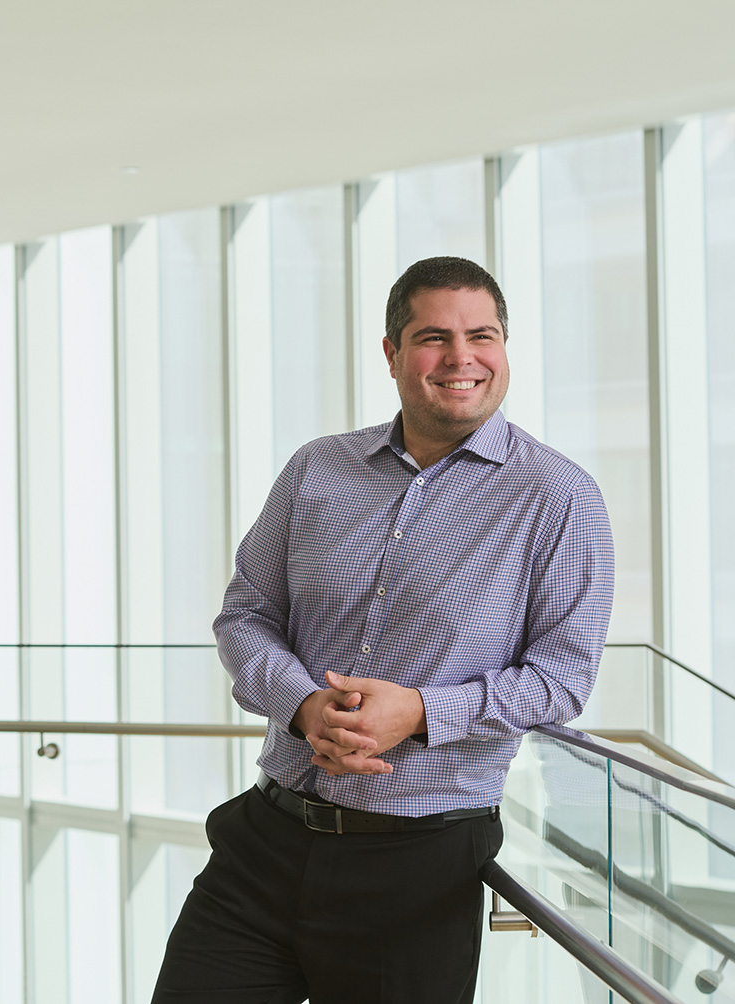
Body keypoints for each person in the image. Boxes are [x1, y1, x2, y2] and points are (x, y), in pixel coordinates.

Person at [151, 257, 615, 1004]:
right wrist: (304, 707)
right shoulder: (318, 470)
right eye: (434, 337)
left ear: (504, 347)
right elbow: (247, 615)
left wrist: (421, 713)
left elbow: (563, 678)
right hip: (264, 842)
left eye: (482, 335)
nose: (462, 358)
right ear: (394, 354)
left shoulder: (559, 497)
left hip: (420, 868)